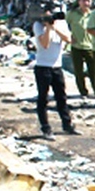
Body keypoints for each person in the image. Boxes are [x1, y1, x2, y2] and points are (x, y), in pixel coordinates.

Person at [33, 10, 81, 140]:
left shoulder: (61, 24)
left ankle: (67, 125)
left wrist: (55, 27)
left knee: (61, 97)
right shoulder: (38, 26)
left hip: (57, 66)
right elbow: (45, 45)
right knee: (43, 98)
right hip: (43, 66)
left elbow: (69, 39)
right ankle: (46, 128)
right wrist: (48, 29)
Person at [65, 0, 95, 98]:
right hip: (76, 46)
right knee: (78, 72)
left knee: (93, 71)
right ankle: (83, 92)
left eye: (88, 1)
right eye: (84, 0)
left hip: (90, 47)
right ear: (79, 2)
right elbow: (63, 24)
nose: (86, 3)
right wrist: (68, 35)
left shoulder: (93, 15)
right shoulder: (72, 14)